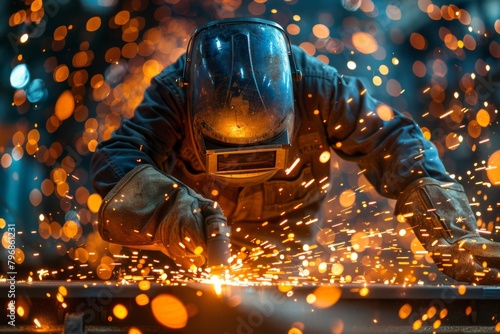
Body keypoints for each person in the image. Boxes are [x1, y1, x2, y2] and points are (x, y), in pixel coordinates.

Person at [90, 18, 500, 284]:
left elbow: (395, 142)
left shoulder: (322, 89)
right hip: (183, 257)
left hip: (281, 251)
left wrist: (447, 225)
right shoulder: (175, 92)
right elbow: (117, 159)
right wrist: (166, 212)